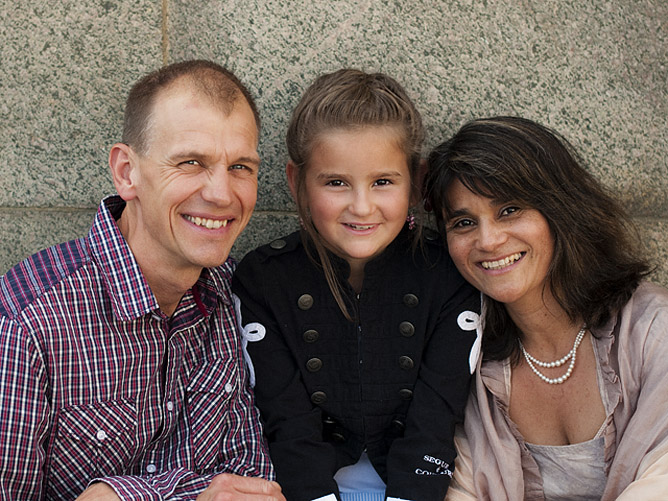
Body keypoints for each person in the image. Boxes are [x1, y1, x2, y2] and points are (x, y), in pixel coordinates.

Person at [0, 60, 285, 500]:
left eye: (241, 167)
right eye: (191, 162)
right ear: (126, 172)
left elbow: (252, 481)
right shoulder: (28, 324)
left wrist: (120, 495)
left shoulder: (234, 293)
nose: (221, 193)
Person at [231, 69, 481, 501]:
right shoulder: (264, 278)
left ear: (416, 181)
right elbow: (285, 419)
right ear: (296, 182)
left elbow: (435, 416)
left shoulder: (446, 271)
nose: (362, 207)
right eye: (336, 182)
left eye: (383, 182)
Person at [425, 115, 668, 500]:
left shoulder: (653, 330)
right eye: (464, 222)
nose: (488, 240)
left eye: (509, 210)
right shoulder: (466, 360)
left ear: (561, 210)